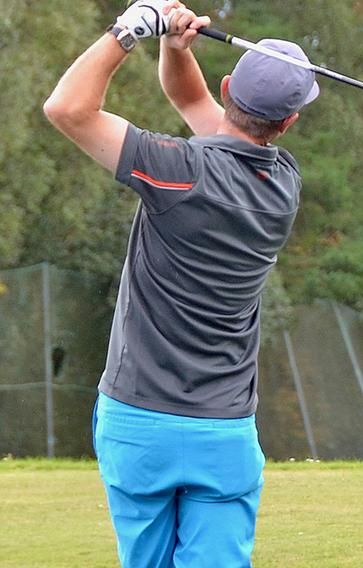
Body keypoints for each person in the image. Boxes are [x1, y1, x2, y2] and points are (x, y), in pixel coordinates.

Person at [43, 1, 319, 566]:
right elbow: (191, 101)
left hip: (138, 419)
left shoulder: (175, 169)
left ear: (229, 86)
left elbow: (67, 108)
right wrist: (172, 46)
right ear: (288, 122)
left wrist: (129, 31)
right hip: (223, 430)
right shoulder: (283, 185)